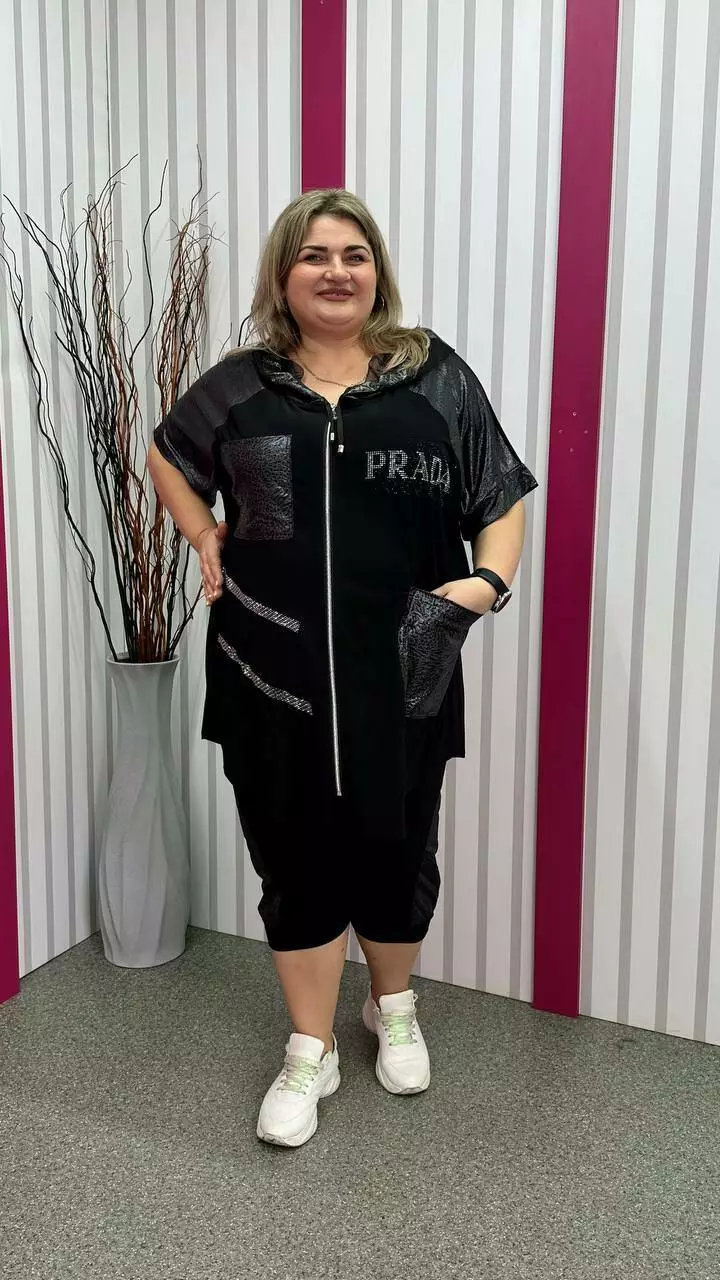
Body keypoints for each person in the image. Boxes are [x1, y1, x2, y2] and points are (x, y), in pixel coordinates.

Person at [147, 188, 538, 1148]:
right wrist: (202, 531)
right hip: (266, 663)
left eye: (354, 254)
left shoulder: (433, 376)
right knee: (292, 855)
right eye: (315, 254)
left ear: (377, 271)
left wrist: (485, 583)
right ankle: (310, 1047)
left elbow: (500, 492)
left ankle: (392, 1006)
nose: (336, 271)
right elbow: (166, 455)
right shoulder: (239, 386)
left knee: (397, 845)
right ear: (284, 273)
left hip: (405, 663)